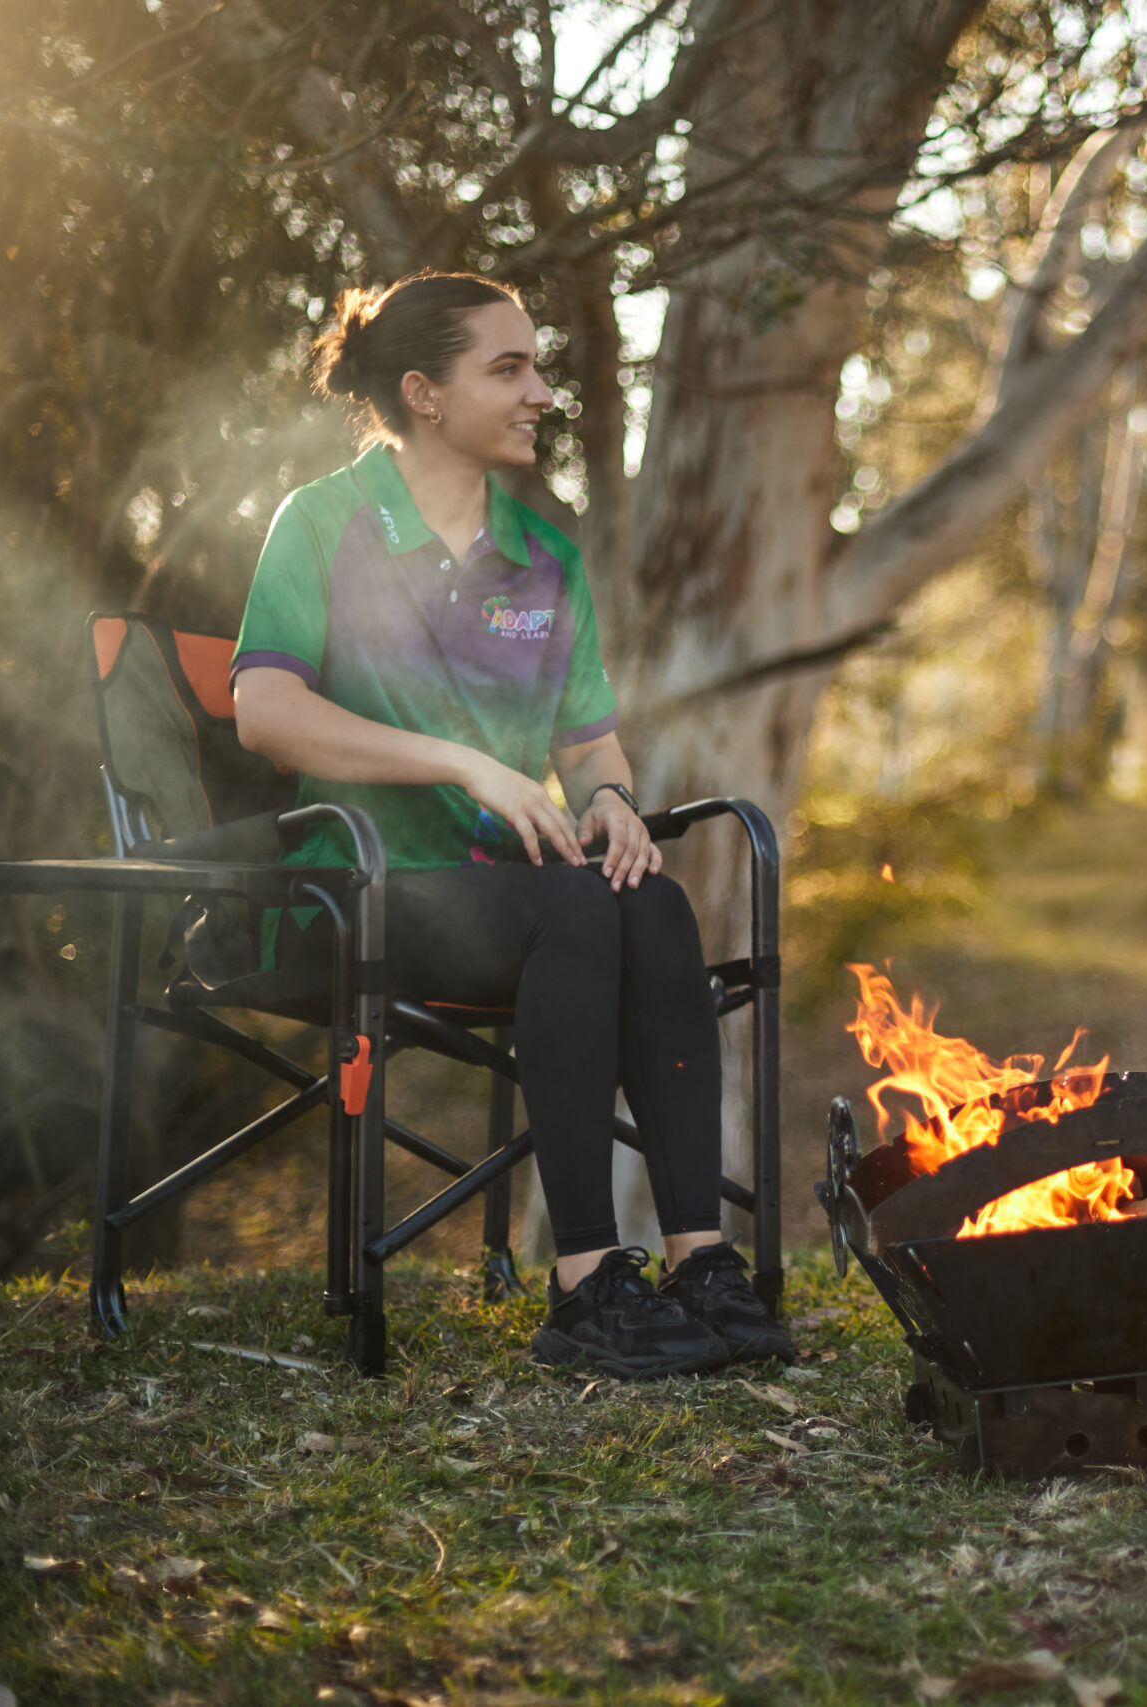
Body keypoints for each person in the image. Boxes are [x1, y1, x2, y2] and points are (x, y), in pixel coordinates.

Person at [230, 272, 793, 1378]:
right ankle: (584, 1286)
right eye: (509, 368)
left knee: (657, 905)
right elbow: (264, 712)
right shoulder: (326, 523)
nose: (541, 391)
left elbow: (588, 742)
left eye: (537, 366)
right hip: (360, 889)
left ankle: (699, 1262)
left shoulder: (549, 559)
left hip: (523, 889)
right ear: (423, 394)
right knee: (580, 913)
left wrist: (612, 801)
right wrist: (464, 763)